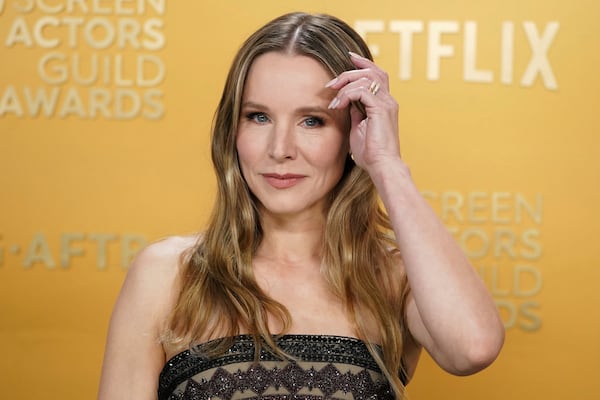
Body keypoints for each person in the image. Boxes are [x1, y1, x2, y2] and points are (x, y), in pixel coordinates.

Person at [98, 12, 504, 400]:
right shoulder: (167, 275)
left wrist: (387, 165)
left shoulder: (392, 279)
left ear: (353, 133)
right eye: (258, 117)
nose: (280, 150)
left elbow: (473, 348)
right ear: (231, 130)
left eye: (312, 120)